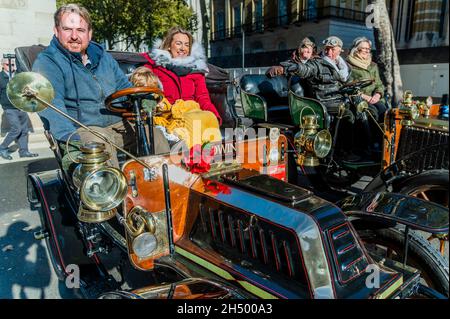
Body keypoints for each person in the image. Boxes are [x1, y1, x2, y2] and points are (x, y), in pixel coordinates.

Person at [32, 4, 169, 170]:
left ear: (89, 33)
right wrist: (70, 141)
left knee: (154, 135)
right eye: (67, 29)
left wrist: (143, 101)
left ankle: (161, 187)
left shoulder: (104, 57)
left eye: (80, 30)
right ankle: (113, 193)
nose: (74, 36)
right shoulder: (48, 62)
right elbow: (52, 107)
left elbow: (123, 86)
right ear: (56, 31)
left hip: (118, 124)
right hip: (83, 128)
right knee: (97, 146)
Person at [141, 26, 222, 125]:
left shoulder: (196, 70)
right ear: (169, 46)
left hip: (191, 117)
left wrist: (213, 117)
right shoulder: (154, 67)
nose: (183, 48)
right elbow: (144, 90)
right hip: (164, 118)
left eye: (187, 45)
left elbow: (202, 97)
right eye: (178, 43)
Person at [130, 66, 221, 149]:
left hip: (177, 115)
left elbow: (202, 97)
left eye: (151, 89)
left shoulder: (159, 99)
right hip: (156, 124)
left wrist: (163, 106)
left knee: (204, 119)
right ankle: (190, 152)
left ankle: (208, 151)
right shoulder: (154, 66)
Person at [0, 58, 38, 160]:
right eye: (8, 65)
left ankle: (24, 151)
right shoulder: (0, 77)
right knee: (16, 129)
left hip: (21, 106)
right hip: (9, 108)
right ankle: (2, 147)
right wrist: (4, 104)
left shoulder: (18, 76)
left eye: (12, 65)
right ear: (3, 65)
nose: (11, 67)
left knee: (24, 130)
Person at [346, 37, 387, 121]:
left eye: (368, 48)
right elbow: (348, 87)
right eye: (364, 48)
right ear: (356, 49)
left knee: (386, 113)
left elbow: (379, 84)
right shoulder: (348, 65)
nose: (367, 51)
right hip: (358, 99)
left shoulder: (373, 65)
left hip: (374, 98)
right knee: (373, 113)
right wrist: (365, 97)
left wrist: (378, 94)